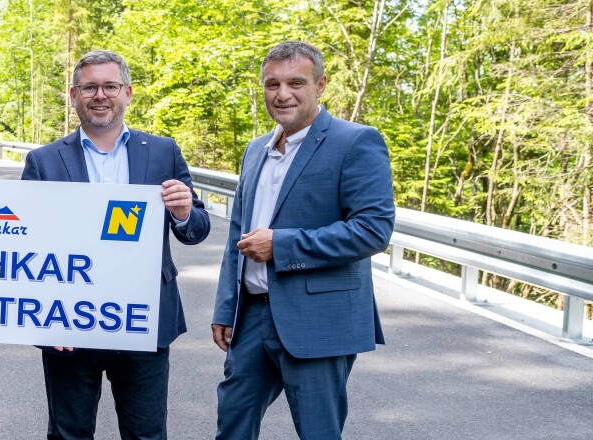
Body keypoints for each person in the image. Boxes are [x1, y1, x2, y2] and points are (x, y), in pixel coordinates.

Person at [21, 50, 211, 440]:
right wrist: (43, 315)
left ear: (128, 93)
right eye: (89, 87)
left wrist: (183, 212)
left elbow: (197, 229)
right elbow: (28, 245)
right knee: (68, 433)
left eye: (110, 86)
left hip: (144, 320)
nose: (100, 95)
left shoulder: (163, 152)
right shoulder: (43, 161)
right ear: (74, 94)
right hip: (69, 323)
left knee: (146, 434)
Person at [210, 41, 395, 440]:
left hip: (318, 320)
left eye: (296, 82)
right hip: (252, 318)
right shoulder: (255, 149)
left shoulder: (356, 142)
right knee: (232, 425)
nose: (282, 94)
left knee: (318, 433)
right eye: (271, 84)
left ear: (321, 85)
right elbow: (237, 235)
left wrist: (283, 245)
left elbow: (373, 230)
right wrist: (227, 306)